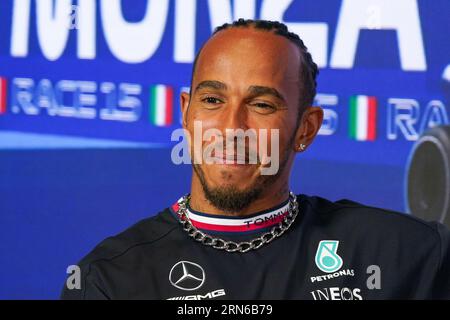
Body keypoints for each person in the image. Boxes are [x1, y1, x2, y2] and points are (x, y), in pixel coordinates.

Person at [61, 19, 450, 300]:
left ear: (306, 129)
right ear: (186, 112)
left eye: (262, 104)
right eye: (212, 100)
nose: (232, 127)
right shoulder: (110, 281)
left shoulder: (406, 254)